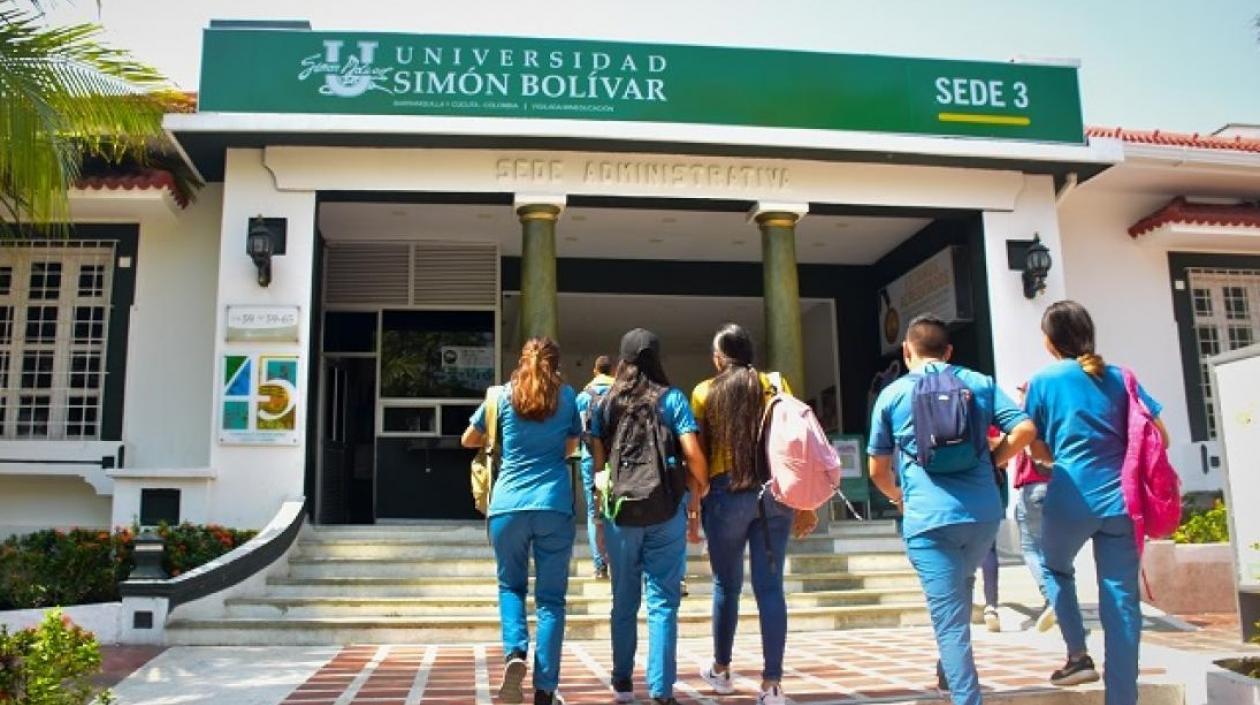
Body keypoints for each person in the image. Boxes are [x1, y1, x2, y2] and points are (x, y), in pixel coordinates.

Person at [867, 314, 1036, 705]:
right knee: (962, 583)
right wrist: (996, 459)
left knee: (950, 623)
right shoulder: (978, 383)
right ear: (948, 351)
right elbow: (1025, 430)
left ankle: (966, 697)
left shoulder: (892, 395)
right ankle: (949, 671)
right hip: (983, 515)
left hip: (928, 519)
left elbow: (877, 468)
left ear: (906, 350)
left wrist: (898, 497)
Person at [1025, 301, 1169, 703]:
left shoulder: (1043, 380)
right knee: (1122, 603)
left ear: (1051, 341)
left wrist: (1050, 455)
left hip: (1070, 495)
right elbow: (1160, 435)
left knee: (1053, 567)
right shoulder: (1122, 377)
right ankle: (1122, 698)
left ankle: (1077, 654)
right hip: (1121, 503)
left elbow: (1034, 442)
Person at [690, 323, 817, 705]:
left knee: (725, 586)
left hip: (725, 495)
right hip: (773, 494)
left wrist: (696, 505)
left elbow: (698, 452)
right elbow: (795, 446)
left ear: (719, 358)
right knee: (770, 588)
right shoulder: (775, 385)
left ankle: (722, 670)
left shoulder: (704, 392)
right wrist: (805, 503)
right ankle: (772, 684)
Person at [590, 328, 709, 705]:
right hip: (665, 510)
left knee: (623, 599)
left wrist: (601, 504)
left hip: (621, 511)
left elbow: (597, 462)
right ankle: (661, 689)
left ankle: (622, 680)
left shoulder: (606, 402)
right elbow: (693, 454)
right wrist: (697, 492)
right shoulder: (672, 400)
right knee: (662, 601)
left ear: (623, 360)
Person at [461, 337, 580, 705]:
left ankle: (515, 654)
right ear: (556, 365)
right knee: (551, 601)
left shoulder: (499, 396)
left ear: (520, 360)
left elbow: (468, 439)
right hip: (553, 505)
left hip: (507, 505)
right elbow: (572, 445)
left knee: (511, 587)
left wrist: (496, 438)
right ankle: (545, 690)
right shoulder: (568, 396)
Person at [1010, 382, 1057, 632]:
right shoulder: (1054, 415)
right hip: (1058, 487)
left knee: (1030, 548)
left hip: (1034, 487)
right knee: (1053, 549)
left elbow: (1017, 447)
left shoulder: (1024, 420)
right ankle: (1060, 596)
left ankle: (1052, 596)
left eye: (1021, 392)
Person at [576, 355, 615, 579]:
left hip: (589, 457)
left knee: (595, 512)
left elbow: (575, 429)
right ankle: (618, 559)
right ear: (613, 371)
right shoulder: (619, 393)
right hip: (616, 458)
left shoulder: (582, 397)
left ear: (594, 371)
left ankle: (600, 565)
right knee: (618, 509)